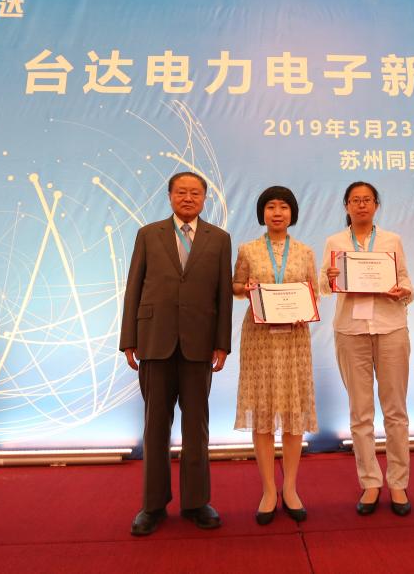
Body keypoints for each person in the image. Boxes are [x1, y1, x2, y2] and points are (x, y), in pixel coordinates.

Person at [120, 171, 234, 536]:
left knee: (196, 426)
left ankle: (196, 502)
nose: (188, 198)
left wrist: (222, 342)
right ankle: (152, 505)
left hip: (200, 343)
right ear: (170, 196)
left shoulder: (219, 239)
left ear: (204, 199)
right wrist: (128, 338)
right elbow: (134, 287)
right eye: (181, 192)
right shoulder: (148, 234)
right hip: (154, 339)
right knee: (155, 425)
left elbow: (223, 295)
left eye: (195, 193)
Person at [320, 182, 414, 516]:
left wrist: (401, 291)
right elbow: (323, 286)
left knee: (395, 411)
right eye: (355, 200)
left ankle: (399, 482)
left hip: (391, 328)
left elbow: (407, 283)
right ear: (346, 206)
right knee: (360, 413)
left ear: (376, 205)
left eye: (367, 200)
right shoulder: (335, 242)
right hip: (350, 331)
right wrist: (331, 278)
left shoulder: (392, 240)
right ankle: (370, 482)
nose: (361, 205)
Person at [232, 186, 318, 525]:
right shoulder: (248, 249)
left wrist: (305, 309)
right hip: (260, 339)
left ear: (292, 212)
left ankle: (291, 488)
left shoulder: (305, 251)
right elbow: (235, 285)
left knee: (293, 412)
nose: (277, 212)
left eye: (283, 206)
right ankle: (269, 490)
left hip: (294, 339)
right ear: (262, 213)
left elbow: (313, 292)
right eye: (271, 207)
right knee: (264, 412)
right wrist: (246, 289)